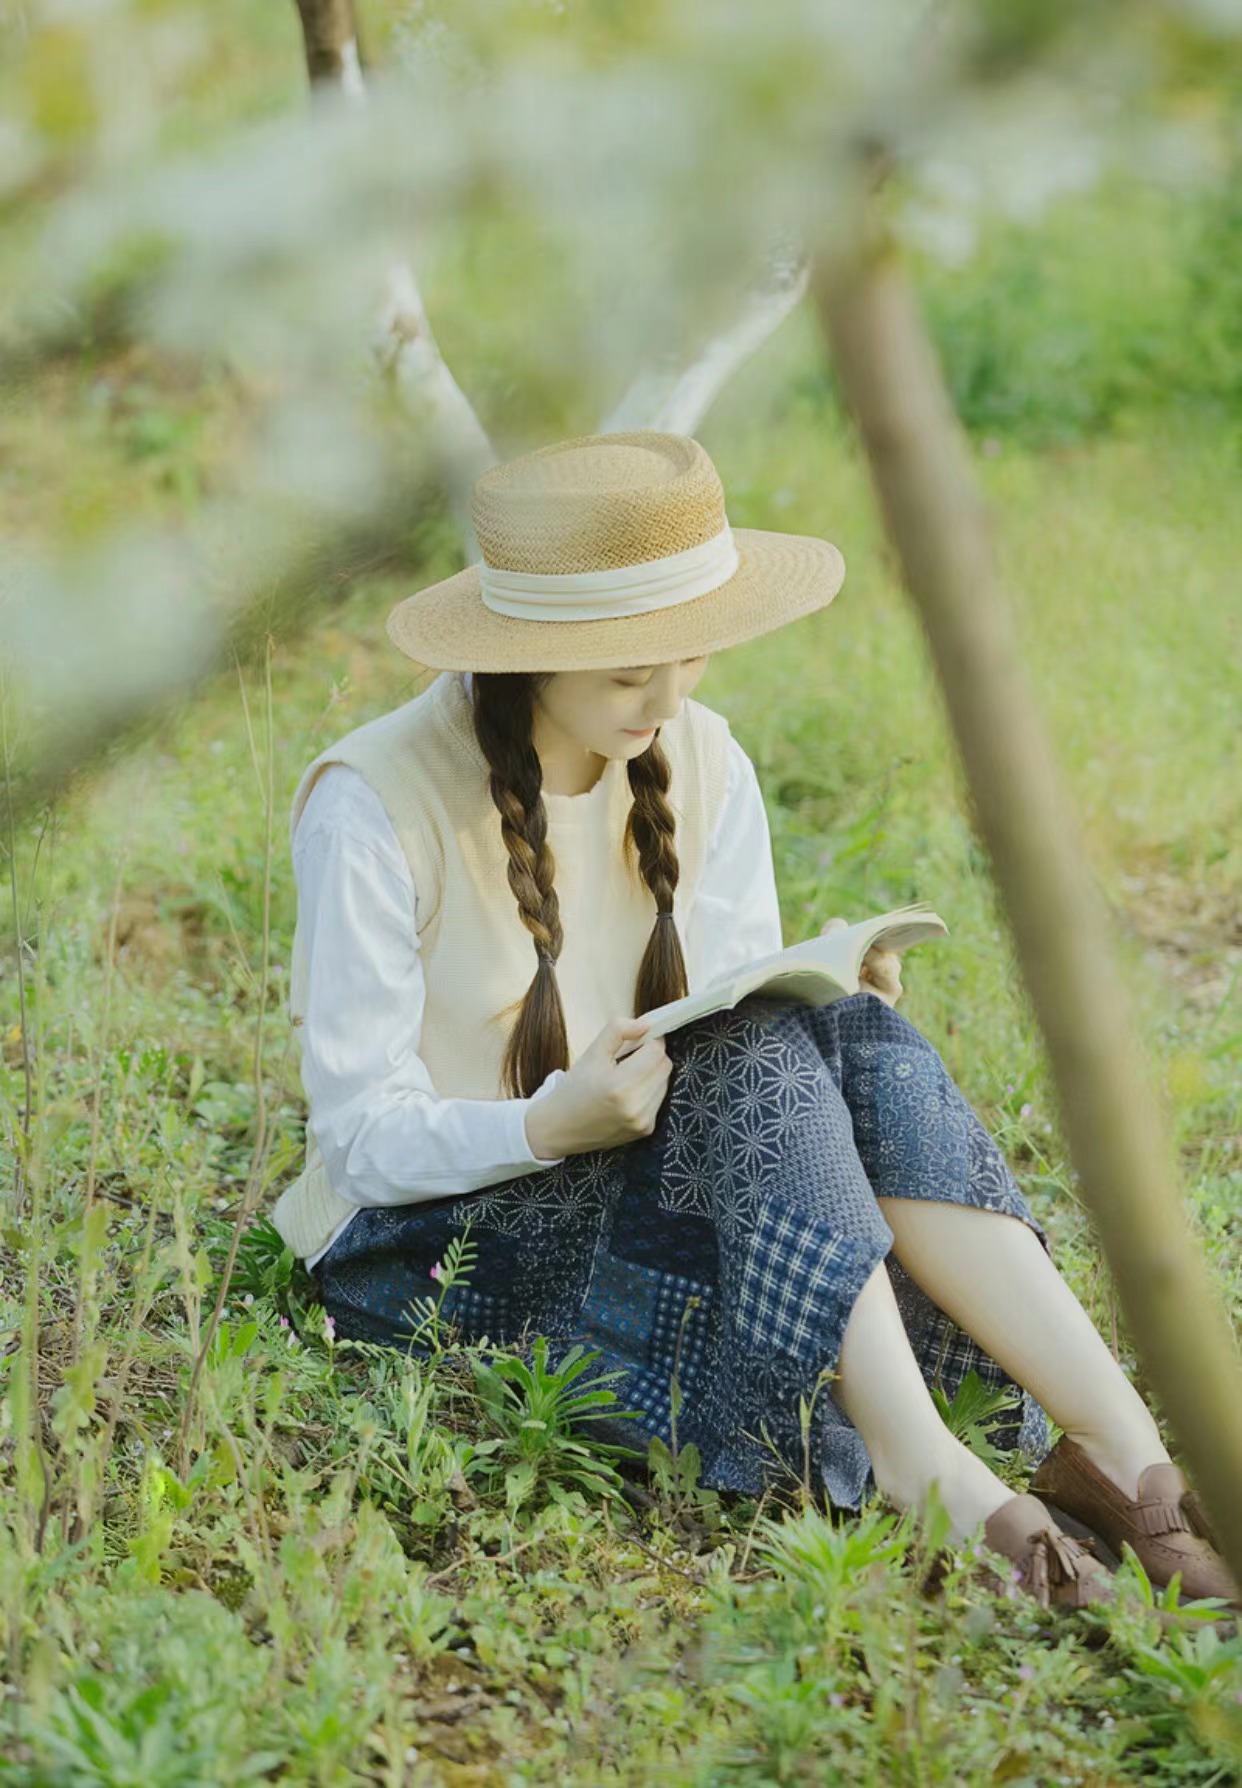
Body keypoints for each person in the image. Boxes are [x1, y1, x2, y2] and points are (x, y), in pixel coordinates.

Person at [271, 430, 1237, 1615]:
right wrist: (550, 1124)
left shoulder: (699, 756)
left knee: (844, 1042)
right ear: (531, 655)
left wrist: (830, 1003)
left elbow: (736, 1021)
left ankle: (1124, 1458)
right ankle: (921, 1467)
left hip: (647, 1169)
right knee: (762, 1059)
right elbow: (359, 1139)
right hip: (427, 1236)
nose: (671, 699)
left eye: (693, 660)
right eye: (634, 673)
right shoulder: (373, 805)